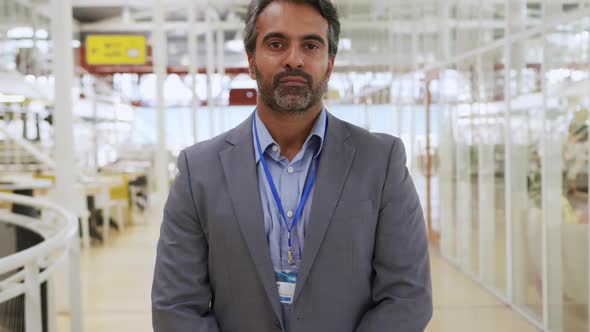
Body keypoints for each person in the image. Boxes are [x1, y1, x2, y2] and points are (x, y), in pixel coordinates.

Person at [151, 0, 432, 331]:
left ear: (329, 64)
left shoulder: (380, 161)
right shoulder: (198, 170)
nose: (294, 59)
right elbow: (176, 306)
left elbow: (407, 297)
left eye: (310, 45)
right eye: (276, 44)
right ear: (251, 61)